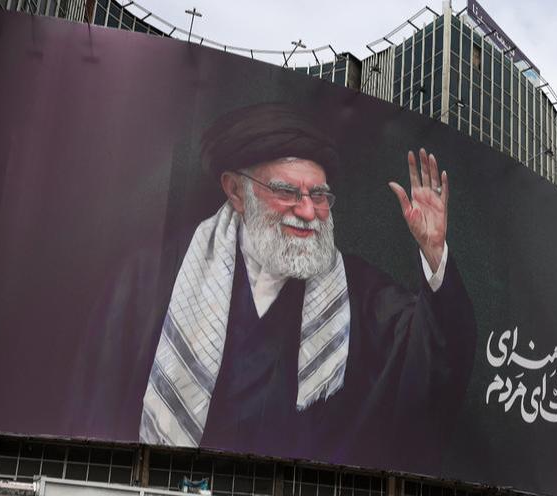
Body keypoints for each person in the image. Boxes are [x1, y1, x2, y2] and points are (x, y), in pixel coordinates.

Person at [80, 103, 476, 473]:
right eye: (287, 192)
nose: (308, 212)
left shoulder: (360, 292)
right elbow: (95, 414)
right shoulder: (152, 282)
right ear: (236, 191)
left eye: (318, 196)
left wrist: (434, 251)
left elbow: (433, 357)